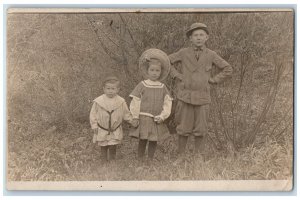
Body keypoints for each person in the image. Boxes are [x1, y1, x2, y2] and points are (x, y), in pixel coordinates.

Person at [168, 23, 233, 158]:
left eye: (201, 35)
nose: (198, 38)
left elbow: (227, 69)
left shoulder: (211, 54)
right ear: (190, 38)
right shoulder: (183, 52)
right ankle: (181, 157)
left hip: (203, 97)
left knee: (201, 129)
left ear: (207, 37)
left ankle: (198, 158)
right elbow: (165, 62)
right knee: (183, 128)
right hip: (185, 96)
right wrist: (177, 75)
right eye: (195, 35)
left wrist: (214, 80)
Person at [129, 49, 173, 161]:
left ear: (160, 72)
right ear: (147, 71)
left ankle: (150, 159)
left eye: (157, 71)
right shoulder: (142, 85)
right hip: (144, 117)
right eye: (152, 70)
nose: (154, 73)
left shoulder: (162, 87)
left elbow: (167, 103)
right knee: (143, 139)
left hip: (156, 118)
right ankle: (140, 158)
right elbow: (136, 100)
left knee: (154, 139)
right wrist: (135, 116)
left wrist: (163, 116)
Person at [89, 76, 134, 162]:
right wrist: (94, 125)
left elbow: (126, 113)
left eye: (113, 88)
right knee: (103, 145)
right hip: (102, 128)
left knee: (113, 145)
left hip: (114, 128)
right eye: (108, 88)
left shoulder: (121, 101)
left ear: (117, 89)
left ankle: (112, 160)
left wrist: (132, 121)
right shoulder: (98, 101)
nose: (110, 91)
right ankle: (104, 160)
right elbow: (93, 114)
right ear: (104, 89)